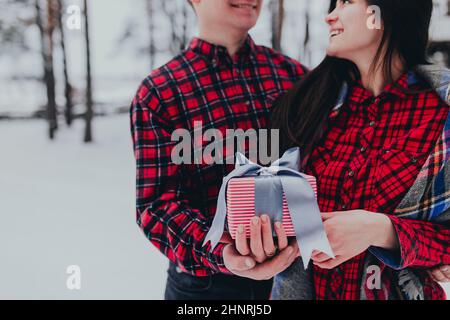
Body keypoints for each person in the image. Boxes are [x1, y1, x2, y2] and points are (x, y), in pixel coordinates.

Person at [270, 0, 450, 299]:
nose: (330, 17)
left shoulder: (440, 113)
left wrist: (382, 230)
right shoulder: (315, 107)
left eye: (346, 2)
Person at [129, 0, 307, 300]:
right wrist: (222, 251)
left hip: (294, 275)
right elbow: (156, 206)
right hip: (207, 287)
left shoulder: (294, 77)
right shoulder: (160, 93)